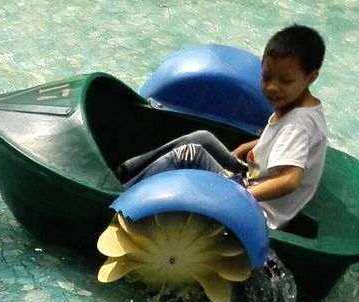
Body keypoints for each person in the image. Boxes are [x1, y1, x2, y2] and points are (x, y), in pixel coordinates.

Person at [115, 24, 327, 230]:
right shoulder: (298, 105)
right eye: (266, 76)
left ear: (311, 77)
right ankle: (126, 170)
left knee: (189, 154)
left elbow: (290, 180)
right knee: (203, 137)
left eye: (285, 81)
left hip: (253, 209)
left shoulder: (298, 125)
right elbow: (277, 137)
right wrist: (245, 148)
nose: (272, 87)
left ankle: (120, 196)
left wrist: (240, 197)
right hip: (249, 178)